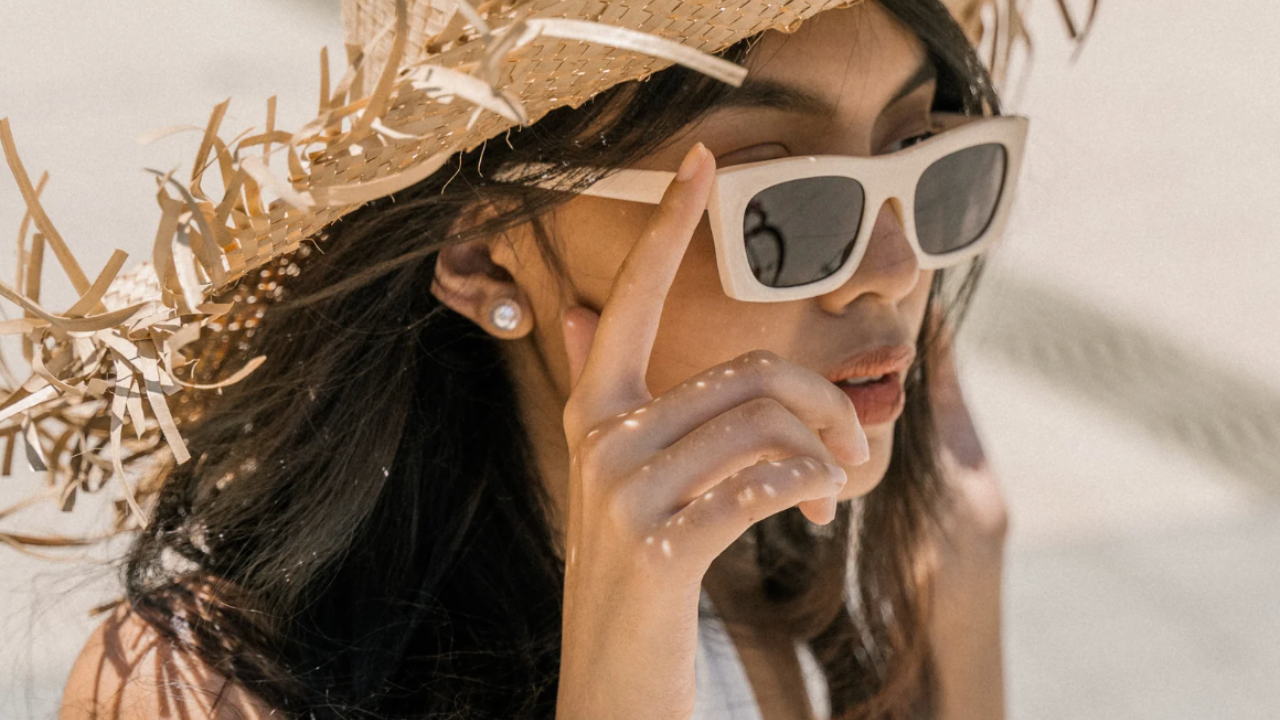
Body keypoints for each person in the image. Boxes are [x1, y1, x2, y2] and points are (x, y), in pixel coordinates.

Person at [34, 0, 1028, 717]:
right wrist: (624, 655)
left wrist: (961, 587)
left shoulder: (775, 584)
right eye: (781, 205)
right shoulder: (195, 687)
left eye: (920, 152)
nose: (894, 269)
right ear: (479, 252)